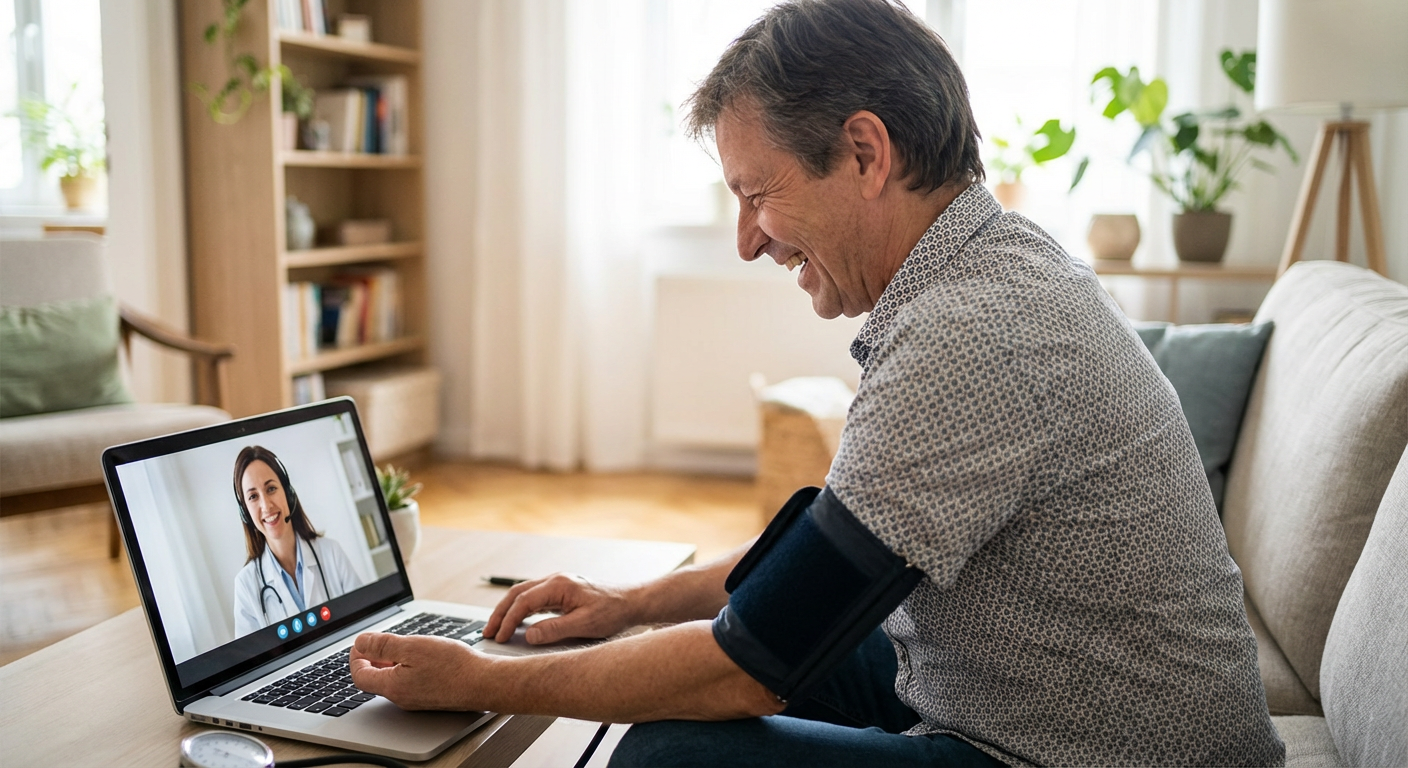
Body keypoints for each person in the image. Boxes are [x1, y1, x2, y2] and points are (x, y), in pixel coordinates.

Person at [346, 1, 1285, 765]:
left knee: (670, 755)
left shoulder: (971, 336)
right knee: (736, 666)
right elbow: (828, 557)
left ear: (867, 154)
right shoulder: (995, 267)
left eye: (757, 194)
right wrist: (629, 606)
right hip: (1039, 690)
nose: (748, 239)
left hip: (1077, 754)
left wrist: (480, 680)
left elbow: (749, 666)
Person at [232, 445, 364, 637]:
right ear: (245, 512)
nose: (266, 505)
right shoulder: (245, 585)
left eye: (271, 489)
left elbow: (367, 621)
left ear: (288, 493)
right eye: (253, 496)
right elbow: (252, 664)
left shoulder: (331, 552)